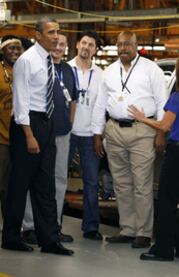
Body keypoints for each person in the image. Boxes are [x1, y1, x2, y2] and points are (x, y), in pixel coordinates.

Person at [1, 17, 73, 256]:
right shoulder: (26, 61)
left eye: (58, 32)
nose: (55, 36)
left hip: (46, 122)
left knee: (46, 185)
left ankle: (49, 240)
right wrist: (29, 135)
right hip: (27, 126)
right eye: (51, 32)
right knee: (19, 185)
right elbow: (21, 102)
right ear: (38, 34)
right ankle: (11, 237)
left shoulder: (47, 60)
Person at [129, 56, 179, 261]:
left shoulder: (178, 97)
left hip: (178, 154)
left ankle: (163, 249)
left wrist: (142, 118)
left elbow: (164, 126)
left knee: (167, 200)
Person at [92, 31, 167, 248]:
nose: (123, 48)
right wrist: (98, 134)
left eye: (128, 44)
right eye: (120, 45)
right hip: (114, 129)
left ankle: (143, 232)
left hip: (143, 130)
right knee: (121, 184)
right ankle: (127, 228)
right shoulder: (109, 71)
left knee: (142, 183)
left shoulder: (151, 69)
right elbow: (99, 104)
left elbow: (162, 102)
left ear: (136, 45)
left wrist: (161, 132)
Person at [22, 33, 78, 244]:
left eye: (62, 44)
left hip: (61, 133)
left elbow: (73, 100)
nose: (58, 47)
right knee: (34, 178)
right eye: (55, 43)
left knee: (59, 180)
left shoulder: (68, 70)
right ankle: (30, 227)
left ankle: (53, 226)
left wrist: (69, 124)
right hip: (39, 132)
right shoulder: (37, 65)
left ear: (65, 48)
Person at [67, 30, 104, 240]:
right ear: (77, 45)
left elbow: (101, 106)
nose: (86, 47)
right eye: (84, 43)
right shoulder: (66, 69)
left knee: (91, 182)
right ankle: (54, 223)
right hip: (68, 133)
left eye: (91, 45)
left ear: (95, 50)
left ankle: (91, 227)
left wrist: (98, 134)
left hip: (90, 134)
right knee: (59, 179)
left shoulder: (100, 74)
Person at [0, 35, 23, 219]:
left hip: (21, 137)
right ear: (2, 50)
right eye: (11, 48)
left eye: (18, 48)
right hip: (2, 137)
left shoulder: (22, 71)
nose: (15, 51)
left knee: (15, 184)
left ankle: (11, 224)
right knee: (3, 184)